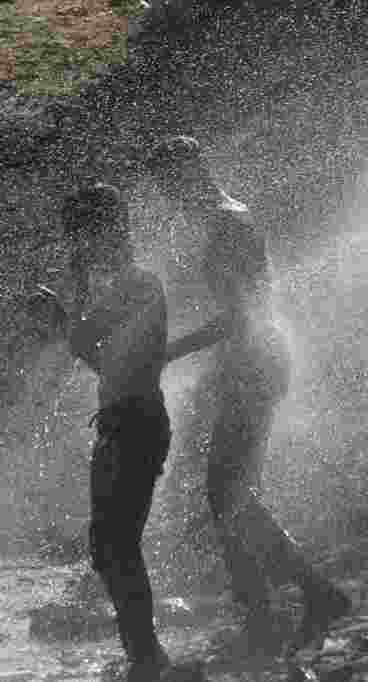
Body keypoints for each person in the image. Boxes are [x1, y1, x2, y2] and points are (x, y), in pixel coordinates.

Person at [146, 136, 351, 653]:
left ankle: (307, 594)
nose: (170, 196)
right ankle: (266, 611)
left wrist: (170, 351)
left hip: (253, 362)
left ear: (192, 171)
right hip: (250, 359)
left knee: (225, 494)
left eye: (171, 183)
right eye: (164, 187)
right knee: (230, 494)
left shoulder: (225, 223)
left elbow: (242, 315)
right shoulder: (229, 217)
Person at [29, 183, 173, 680]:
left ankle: (148, 659)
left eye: (81, 235)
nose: (78, 248)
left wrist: (63, 321)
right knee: (107, 545)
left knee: (116, 544)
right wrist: (68, 322)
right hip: (120, 422)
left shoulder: (140, 283)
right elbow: (102, 363)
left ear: (105, 230)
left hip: (137, 423)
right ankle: (143, 655)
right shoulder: (122, 285)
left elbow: (113, 356)